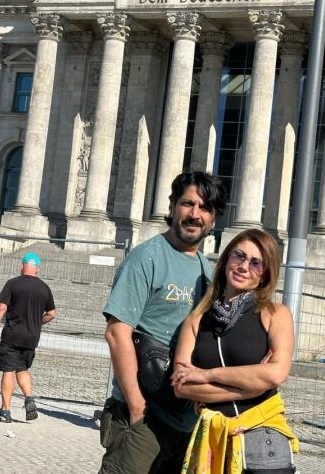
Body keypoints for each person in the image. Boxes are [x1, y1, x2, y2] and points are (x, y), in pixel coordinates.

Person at [98, 170, 227, 474]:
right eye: (188, 204)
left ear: (214, 219)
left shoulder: (207, 273)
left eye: (205, 208)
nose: (195, 214)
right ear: (172, 207)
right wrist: (136, 409)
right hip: (145, 415)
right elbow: (118, 333)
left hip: (184, 420)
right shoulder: (147, 258)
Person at [171, 228, 298, 473]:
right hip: (214, 442)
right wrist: (255, 386)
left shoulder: (275, 314)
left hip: (263, 441)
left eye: (255, 263)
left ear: (264, 275)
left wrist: (207, 375)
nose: (243, 266)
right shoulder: (196, 320)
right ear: (226, 259)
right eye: (238, 256)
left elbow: (276, 374)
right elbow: (182, 386)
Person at [0, 252, 56, 423]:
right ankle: (29, 397)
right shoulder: (44, 288)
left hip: (12, 335)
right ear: (37, 269)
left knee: (8, 370)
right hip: (31, 337)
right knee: (22, 368)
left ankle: (5, 410)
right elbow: (52, 314)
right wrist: (37, 322)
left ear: (22, 266)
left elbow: (1, 308)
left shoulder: (13, 284)